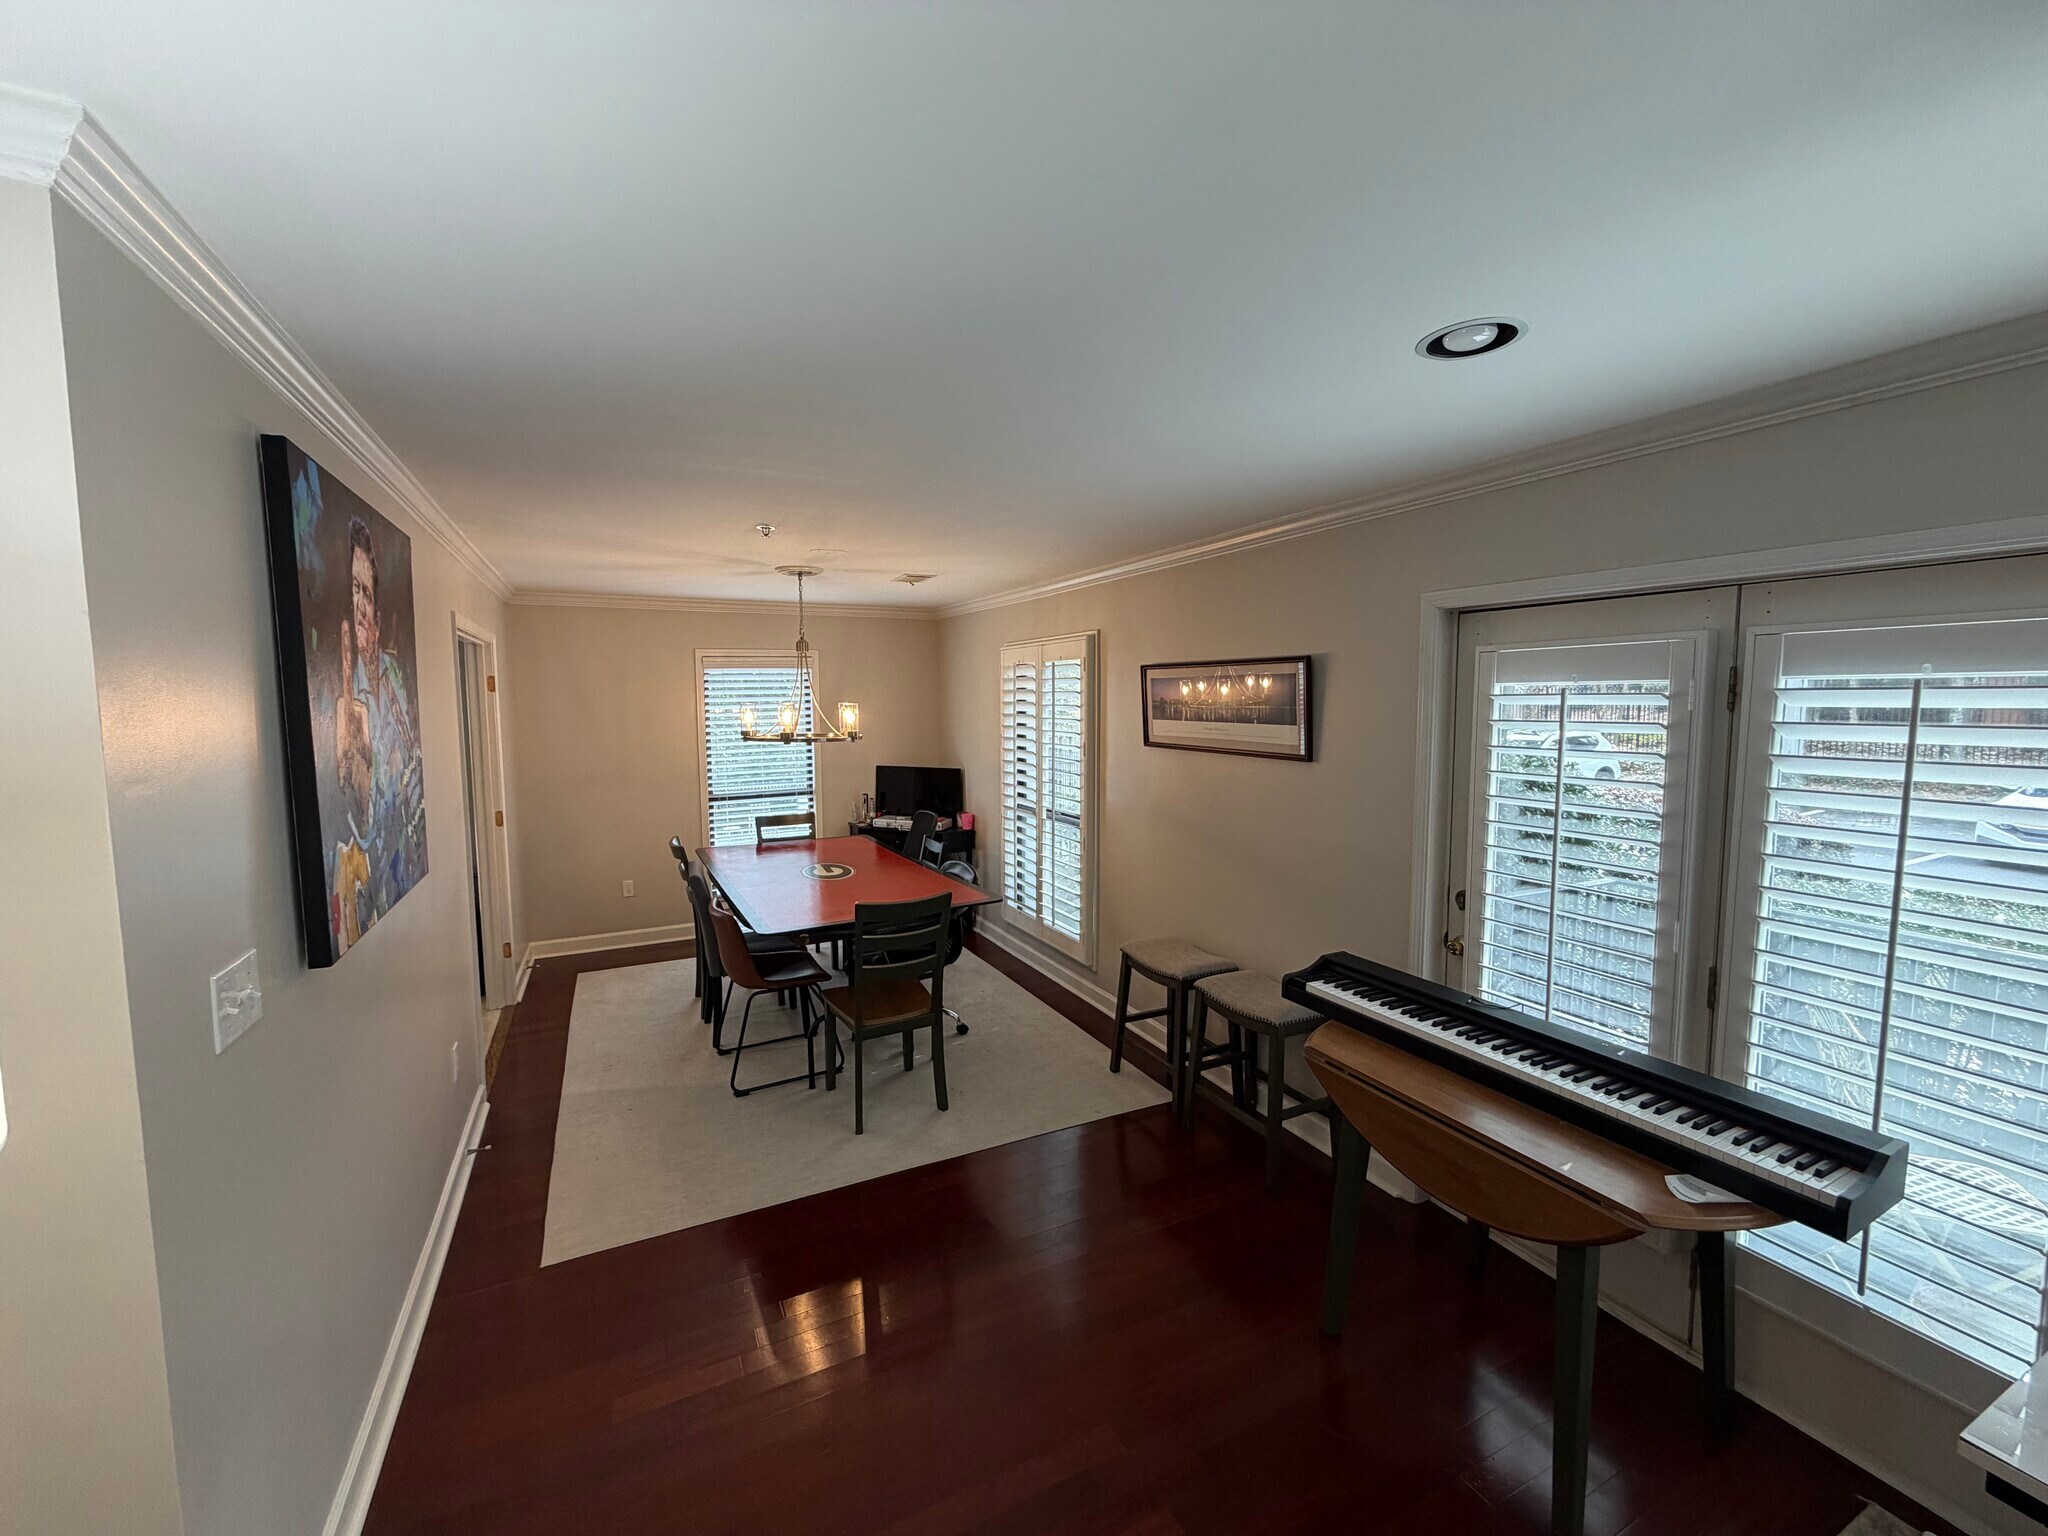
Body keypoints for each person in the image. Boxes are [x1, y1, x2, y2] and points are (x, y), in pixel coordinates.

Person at [332, 514, 426, 948]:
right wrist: (357, 759)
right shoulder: (346, 704)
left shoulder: (394, 676)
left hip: (401, 854)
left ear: (379, 612)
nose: (360, 605)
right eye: (354, 590)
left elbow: (412, 762)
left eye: (366, 592)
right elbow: (356, 824)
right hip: (373, 883)